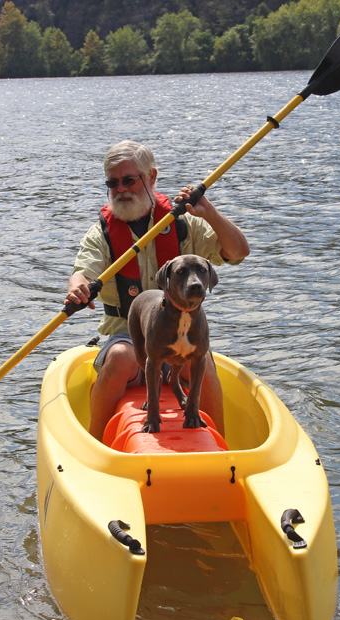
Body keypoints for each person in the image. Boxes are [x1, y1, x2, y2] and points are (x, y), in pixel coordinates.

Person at [66, 140, 250, 441]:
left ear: (151, 178)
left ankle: (220, 447)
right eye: (112, 183)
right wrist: (78, 288)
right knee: (121, 358)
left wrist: (210, 214)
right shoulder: (101, 233)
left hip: (182, 334)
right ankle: (95, 446)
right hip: (128, 335)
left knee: (201, 361)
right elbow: (82, 272)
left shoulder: (183, 223)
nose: (121, 189)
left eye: (129, 180)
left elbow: (239, 252)